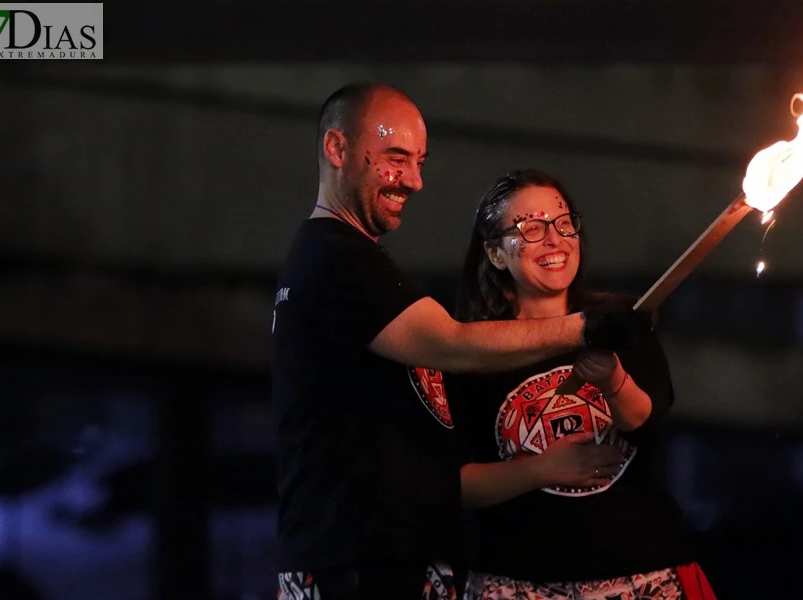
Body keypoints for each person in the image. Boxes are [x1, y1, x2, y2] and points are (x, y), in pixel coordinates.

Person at [271, 84, 651, 600]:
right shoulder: (335, 259)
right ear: (337, 149)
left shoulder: (350, 260)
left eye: (419, 161)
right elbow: (448, 343)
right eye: (396, 157)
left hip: (386, 560)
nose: (414, 180)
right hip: (358, 565)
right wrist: (586, 328)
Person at [449, 169, 717, 599]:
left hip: (641, 575)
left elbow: (647, 421)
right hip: (517, 581)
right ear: (496, 254)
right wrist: (540, 468)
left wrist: (613, 380)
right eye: (531, 228)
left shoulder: (619, 321)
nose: (554, 240)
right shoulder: (469, 349)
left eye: (563, 223)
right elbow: (451, 485)